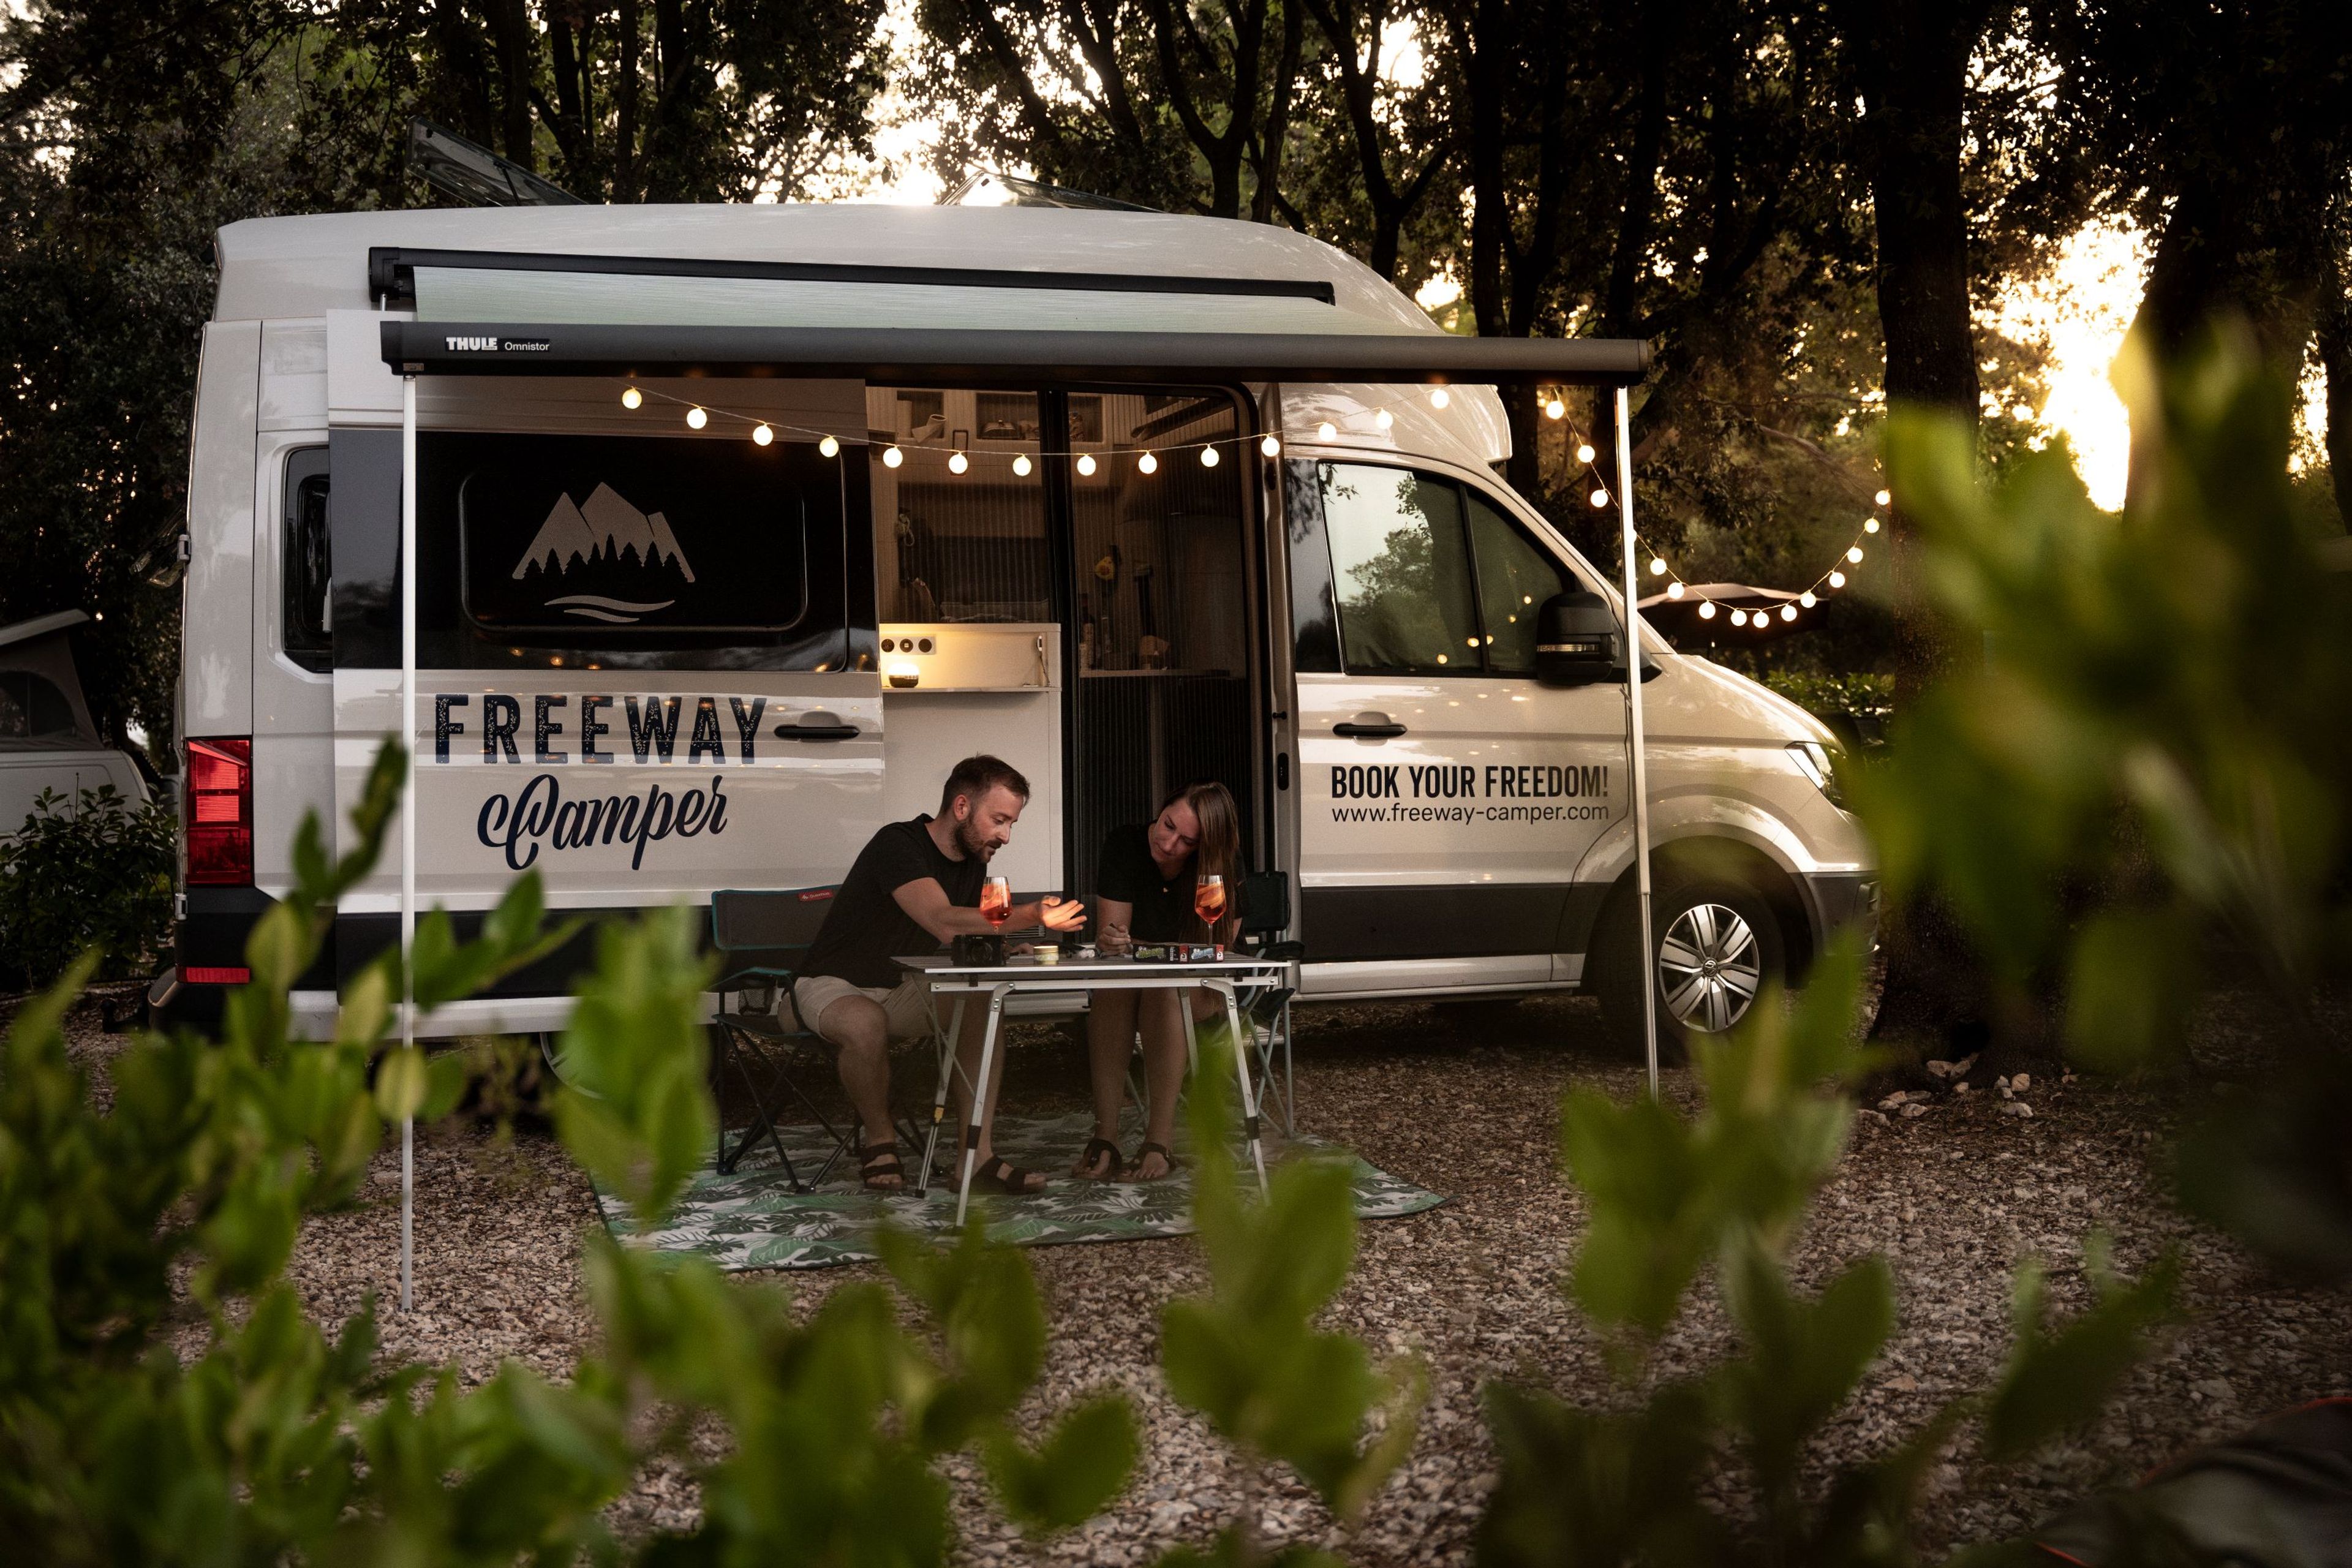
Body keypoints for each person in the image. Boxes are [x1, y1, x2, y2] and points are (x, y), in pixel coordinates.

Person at [795, 755, 1086, 1193]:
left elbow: (960, 936)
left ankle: (977, 1156)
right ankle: (880, 1143)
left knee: (982, 1002)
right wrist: (1029, 913)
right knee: (865, 1022)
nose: (1005, 835)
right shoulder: (897, 843)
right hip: (832, 984)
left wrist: (1005, 946)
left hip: (902, 986)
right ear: (963, 807)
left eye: (1012, 824)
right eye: (1000, 820)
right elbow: (943, 921)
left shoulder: (973, 860)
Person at [1071, 781, 1242, 1183]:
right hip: (1138, 975)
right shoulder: (1125, 845)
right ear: (1162, 809)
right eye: (1168, 826)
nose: (1169, 845)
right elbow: (1116, 942)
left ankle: (1158, 1141)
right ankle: (1106, 1139)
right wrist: (1113, 940)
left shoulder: (1221, 863)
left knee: (1166, 986)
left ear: (1203, 847)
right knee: (1116, 986)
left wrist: (1143, 947)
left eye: (1186, 842)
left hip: (1202, 984)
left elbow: (1216, 950)